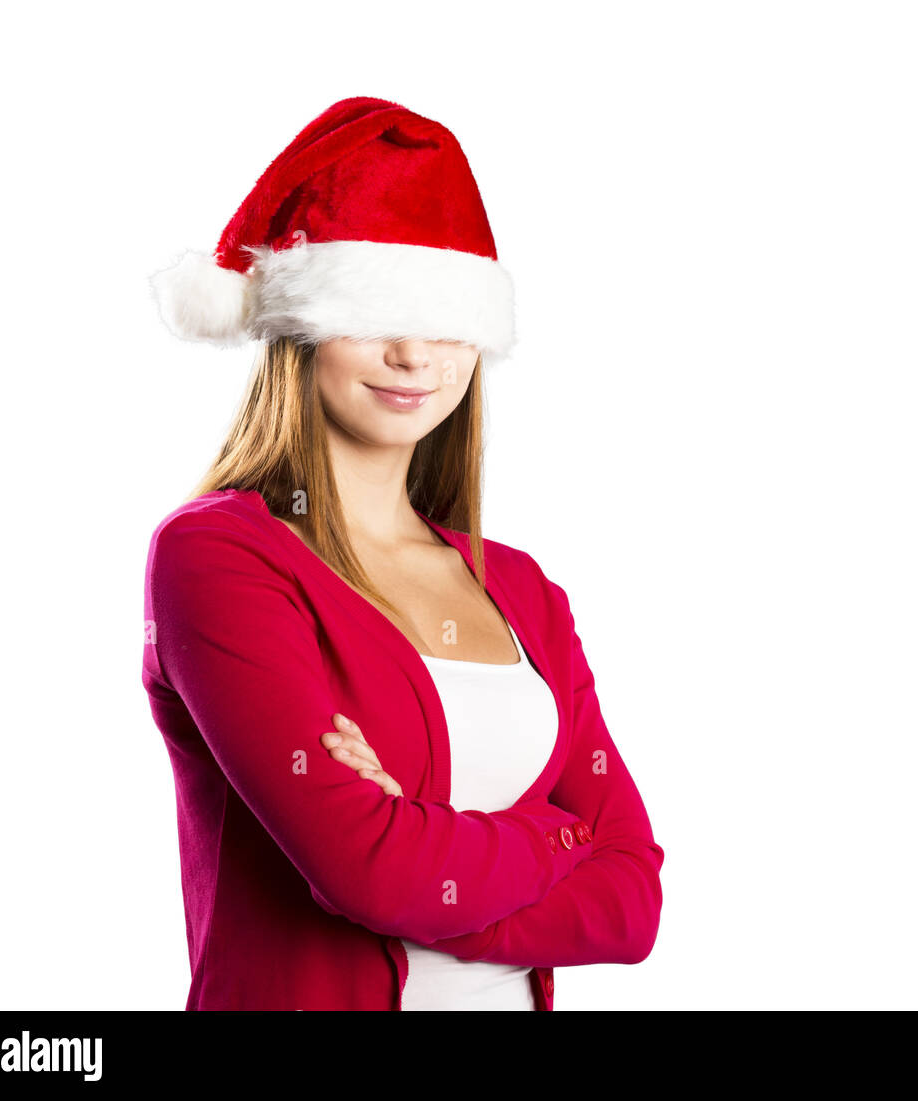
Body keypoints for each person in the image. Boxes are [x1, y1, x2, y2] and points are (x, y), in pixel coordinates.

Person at [141, 97, 664, 1010]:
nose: (413, 353)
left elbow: (633, 904)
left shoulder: (523, 590)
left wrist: (428, 845)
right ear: (301, 330)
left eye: (443, 316)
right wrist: (554, 841)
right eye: (374, 311)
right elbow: (372, 874)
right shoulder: (218, 558)